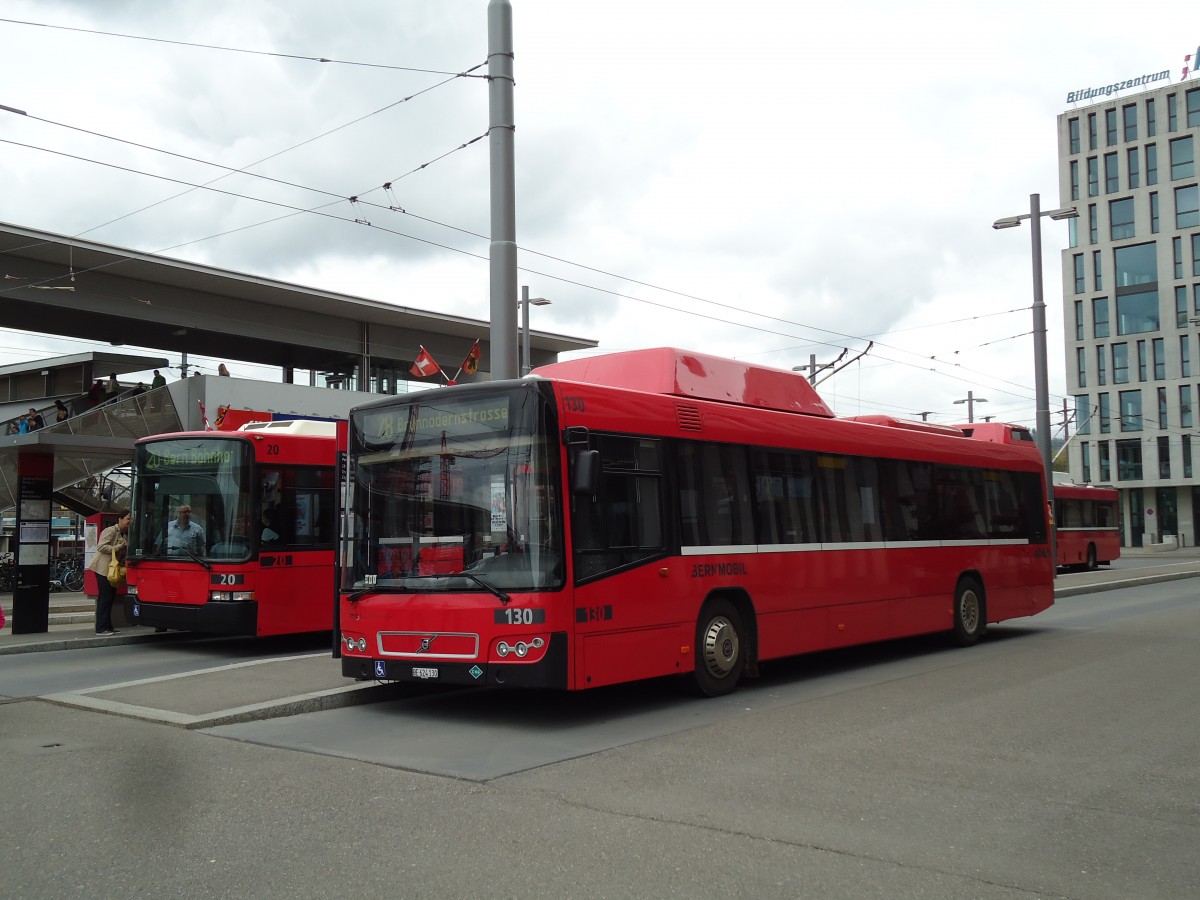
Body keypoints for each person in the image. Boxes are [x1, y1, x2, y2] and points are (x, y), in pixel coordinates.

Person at [87, 509, 129, 635]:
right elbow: (101, 546)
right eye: (128, 519)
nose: (129, 521)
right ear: (120, 519)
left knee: (110, 597)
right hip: (103, 568)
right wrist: (118, 547)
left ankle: (108, 625)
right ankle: (100, 627)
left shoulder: (123, 534)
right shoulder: (110, 531)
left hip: (112, 569)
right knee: (104, 598)